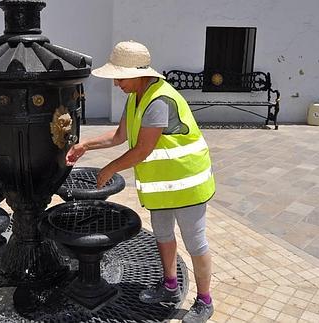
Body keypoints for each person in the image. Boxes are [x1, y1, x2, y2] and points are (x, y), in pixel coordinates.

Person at [65, 40, 215, 323]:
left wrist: (110, 169)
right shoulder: (136, 97)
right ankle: (170, 286)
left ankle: (204, 301)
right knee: (162, 236)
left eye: (119, 77)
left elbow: (142, 149)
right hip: (163, 187)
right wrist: (85, 146)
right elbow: (118, 136)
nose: (117, 83)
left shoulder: (158, 100)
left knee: (195, 244)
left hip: (187, 184)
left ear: (137, 74)